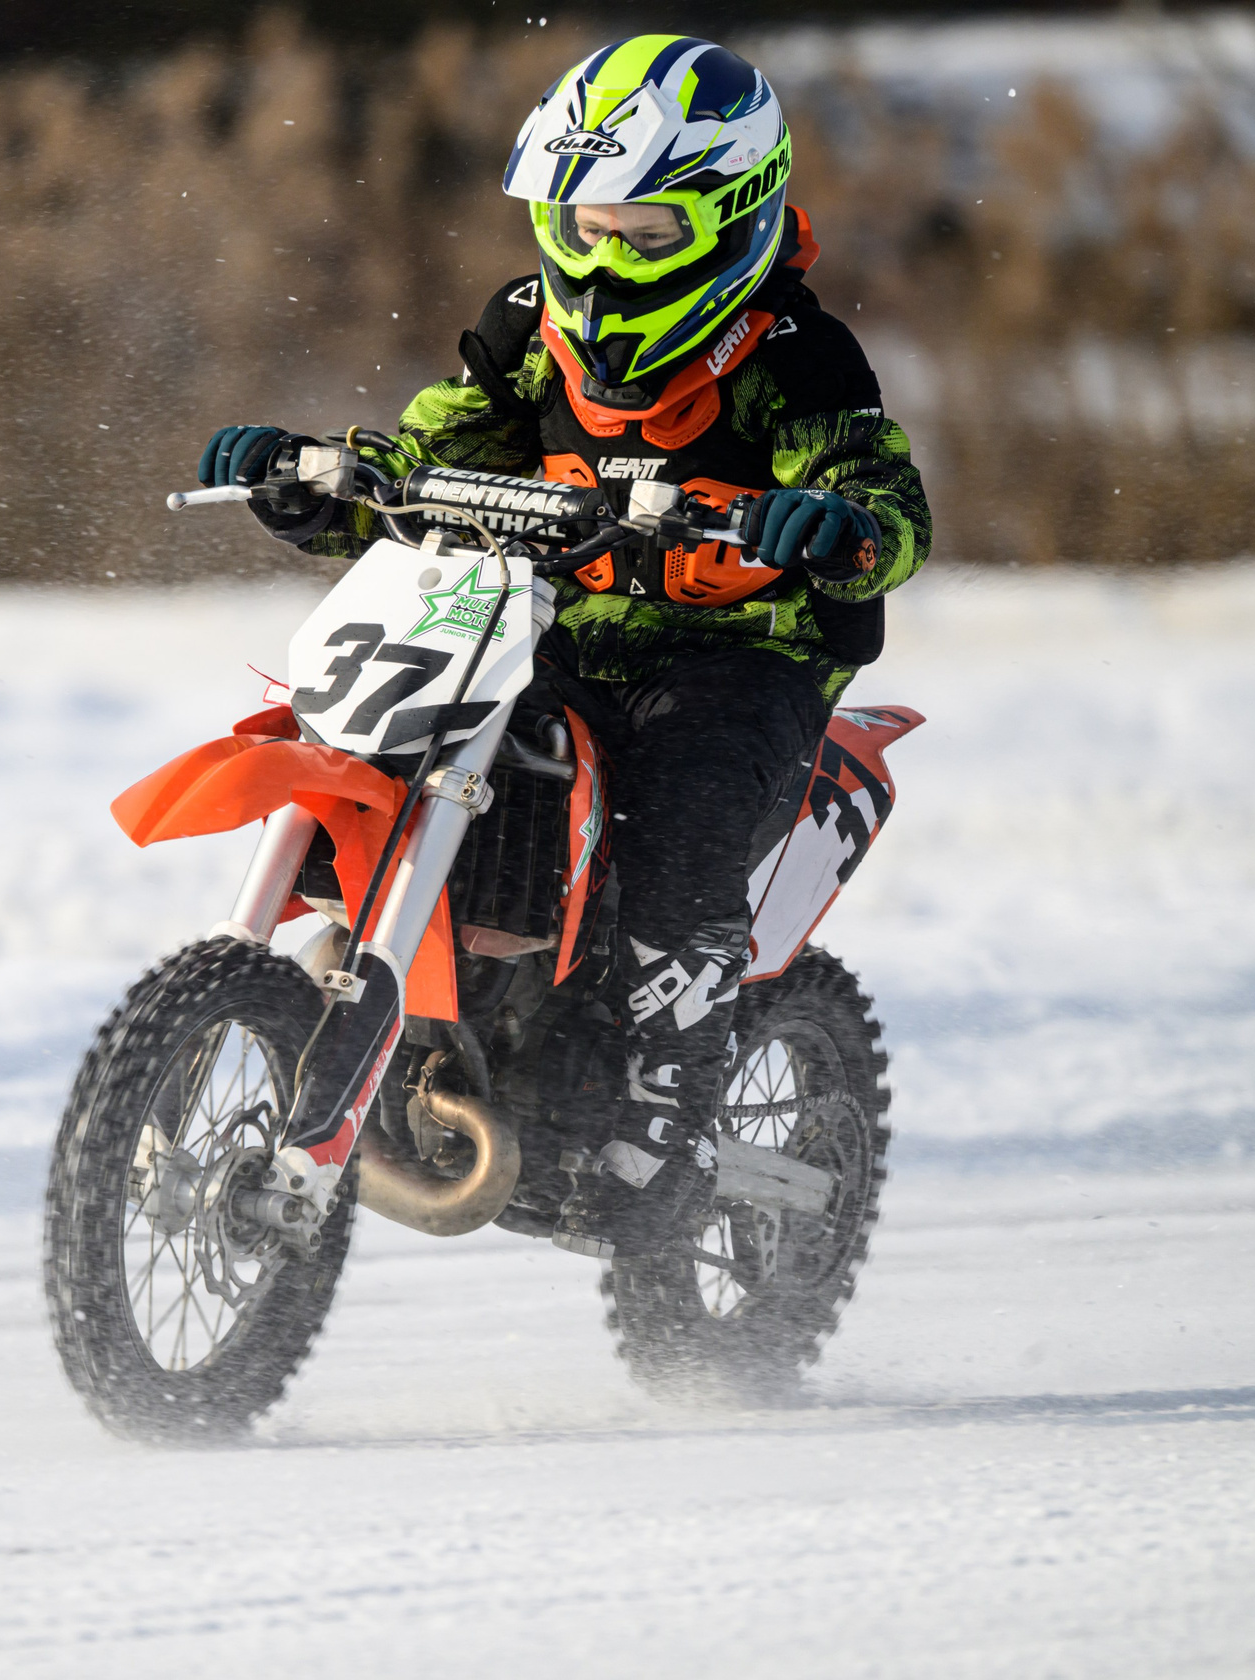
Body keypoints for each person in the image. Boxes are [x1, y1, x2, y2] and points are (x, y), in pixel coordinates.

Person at [197, 34, 931, 1255]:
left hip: (733, 660)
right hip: (550, 634)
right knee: (388, 738)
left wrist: (829, 524)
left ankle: (666, 1113)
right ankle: (400, 986)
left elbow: (886, 509)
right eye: (584, 224)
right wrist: (322, 482)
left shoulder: (799, 356)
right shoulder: (528, 328)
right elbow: (434, 456)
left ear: (732, 216)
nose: (603, 256)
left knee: (677, 832)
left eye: (646, 233)